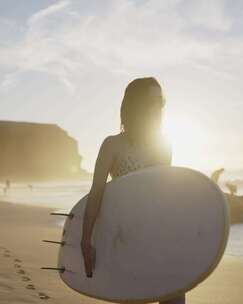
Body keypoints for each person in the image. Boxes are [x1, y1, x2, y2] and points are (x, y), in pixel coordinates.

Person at [80, 77, 184, 304]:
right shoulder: (112, 145)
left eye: (161, 101)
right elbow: (96, 193)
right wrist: (85, 240)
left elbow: (165, 196)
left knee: (175, 298)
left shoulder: (164, 144)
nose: (159, 106)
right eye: (153, 100)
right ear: (136, 103)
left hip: (160, 236)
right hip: (127, 239)